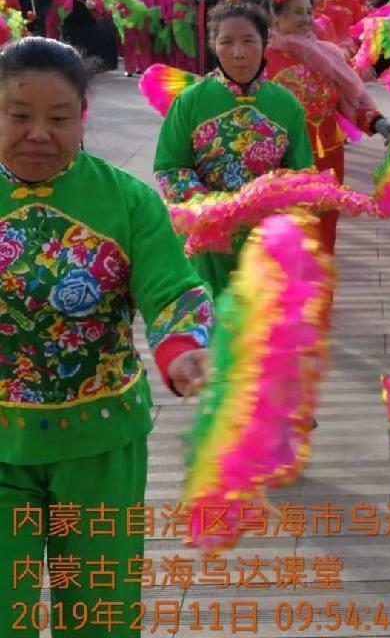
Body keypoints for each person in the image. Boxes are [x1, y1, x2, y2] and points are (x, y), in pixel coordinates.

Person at [0, 36, 213, 637]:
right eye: (18, 115)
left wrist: (180, 349)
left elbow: (173, 289)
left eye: (59, 118)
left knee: (98, 610)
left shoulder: (127, 201)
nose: (38, 134)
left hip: (99, 438)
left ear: (83, 117)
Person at [154, 1, 313, 297]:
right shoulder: (190, 101)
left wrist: (276, 207)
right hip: (208, 240)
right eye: (226, 42)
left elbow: (301, 171)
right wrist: (213, 208)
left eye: (249, 41)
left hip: (266, 240)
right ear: (214, 46)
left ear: (264, 42)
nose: (238, 52)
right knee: (212, 313)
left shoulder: (286, 103)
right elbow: (170, 167)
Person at [265, 0, 390, 254]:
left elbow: (349, 99)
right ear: (276, 17)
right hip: (284, 161)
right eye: (297, 12)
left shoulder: (327, 56)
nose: (305, 19)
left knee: (324, 229)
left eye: (308, 12)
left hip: (329, 157)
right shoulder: (263, 61)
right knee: (289, 232)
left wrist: (376, 121)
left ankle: (322, 282)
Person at [184, 0, 226, 72]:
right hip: (199, 17)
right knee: (200, 45)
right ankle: (202, 68)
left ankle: (214, 68)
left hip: (214, 16)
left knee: (213, 43)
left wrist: (222, 9)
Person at [119, 0, 153, 77]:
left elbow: (150, 5)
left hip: (143, 20)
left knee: (143, 44)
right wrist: (121, 11)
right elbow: (120, 4)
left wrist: (149, 15)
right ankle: (129, 68)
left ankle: (145, 68)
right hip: (129, 20)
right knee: (129, 44)